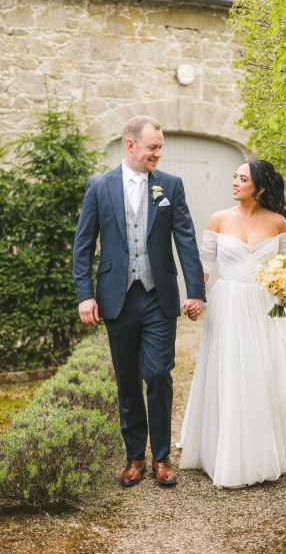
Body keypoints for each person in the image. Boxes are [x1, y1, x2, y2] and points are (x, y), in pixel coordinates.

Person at [73, 115, 205, 487]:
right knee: (128, 379)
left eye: (160, 147)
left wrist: (194, 290)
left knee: (158, 373)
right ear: (130, 145)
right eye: (153, 147)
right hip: (117, 299)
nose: (158, 154)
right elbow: (83, 246)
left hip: (157, 296)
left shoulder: (170, 186)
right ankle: (135, 457)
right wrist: (85, 295)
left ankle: (161, 457)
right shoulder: (99, 186)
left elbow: (185, 239)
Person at [178, 159, 286, 488]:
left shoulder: (278, 223)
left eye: (242, 178)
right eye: (234, 176)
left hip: (263, 305)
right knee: (226, 372)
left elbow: (284, 265)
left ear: (260, 188)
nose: (234, 182)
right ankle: (223, 452)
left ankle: (262, 451)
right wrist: (196, 297)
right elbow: (204, 265)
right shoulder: (218, 220)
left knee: (260, 373)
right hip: (228, 302)